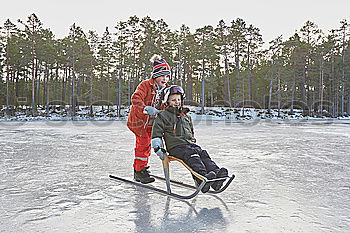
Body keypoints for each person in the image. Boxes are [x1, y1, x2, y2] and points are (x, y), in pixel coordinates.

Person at [151, 85, 229, 193]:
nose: (177, 102)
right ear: (167, 102)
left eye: (179, 99)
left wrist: (192, 142)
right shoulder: (163, 115)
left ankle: (216, 178)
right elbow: (156, 133)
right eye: (173, 100)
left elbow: (191, 131)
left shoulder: (186, 116)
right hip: (176, 147)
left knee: (203, 154)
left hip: (190, 145)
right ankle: (201, 179)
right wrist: (158, 147)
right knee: (193, 156)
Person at [127, 54, 171, 184]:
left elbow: (168, 104)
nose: (165, 78)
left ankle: (142, 168)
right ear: (155, 75)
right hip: (139, 122)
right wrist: (146, 108)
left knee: (148, 145)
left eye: (167, 76)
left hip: (152, 124)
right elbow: (135, 98)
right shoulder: (145, 85)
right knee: (143, 145)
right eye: (162, 75)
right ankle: (139, 171)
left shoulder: (166, 89)